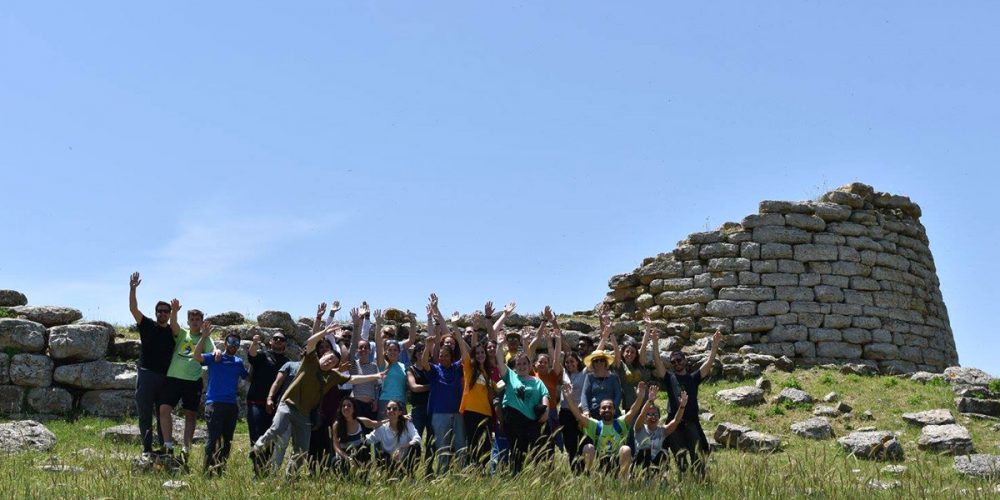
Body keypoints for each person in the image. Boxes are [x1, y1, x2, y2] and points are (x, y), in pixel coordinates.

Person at [250, 324, 382, 475]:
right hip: (288, 405)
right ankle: (257, 448)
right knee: (277, 429)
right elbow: (311, 343)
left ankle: (290, 476)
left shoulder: (333, 376)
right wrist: (323, 332)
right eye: (328, 358)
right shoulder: (310, 360)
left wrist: (376, 376)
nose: (329, 361)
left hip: (304, 414)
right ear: (323, 355)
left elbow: (353, 379)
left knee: (302, 450)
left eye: (333, 361)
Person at [650, 312, 722, 477]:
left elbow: (708, 363)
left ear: (686, 361)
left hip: (691, 423)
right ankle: (684, 486)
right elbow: (657, 362)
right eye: (673, 362)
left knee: (698, 459)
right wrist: (654, 343)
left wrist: (715, 345)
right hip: (674, 425)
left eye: (679, 360)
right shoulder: (669, 378)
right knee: (680, 459)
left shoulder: (693, 378)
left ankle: (701, 485)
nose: (676, 363)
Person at [128, 272, 176, 458]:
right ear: (156, 313)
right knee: (145, 413)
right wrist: (132, 289)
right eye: (160, 311)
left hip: (166, 377)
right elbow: (133, 309)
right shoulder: (147, 325)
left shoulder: (174, 331)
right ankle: (147, 448)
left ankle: (165, 447)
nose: (163, 313)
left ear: (170, 314)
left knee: (163, 413)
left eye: (166, 311)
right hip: (147, 375)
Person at [159, 299, 211, 466]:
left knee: (190, 414)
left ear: (202, 322)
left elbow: (213, 351)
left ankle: (186, 449)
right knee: (164, 409)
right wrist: (174, 311)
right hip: (173, 377)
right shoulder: (182, 334)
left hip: (193, 381)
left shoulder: (205, 337)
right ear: (188, 321)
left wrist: (215, 350)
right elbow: (173, 324)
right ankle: (168, 445)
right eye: (192, 319)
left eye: (198, 320)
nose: (195, 322)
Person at [193, 323, 249, 476]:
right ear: (225, 343)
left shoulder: (238, 362)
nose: (233, 345)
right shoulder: (215, 357)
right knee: (213, 438)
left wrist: (256, 352)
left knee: (227, 440)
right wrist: (204, 337)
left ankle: (220, 470)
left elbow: (248, 376)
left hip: (231, 406)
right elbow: (196, 356)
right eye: (231, 341)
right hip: (214, 404)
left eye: (236, 343)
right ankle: (207, 472)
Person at [419, 294, 466, 473]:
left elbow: (465, 354)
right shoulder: (435, 369)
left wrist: (456, 330)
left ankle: (462, 474)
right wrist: (427, 346)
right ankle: (443, 474)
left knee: (461, 445)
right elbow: (424, 363)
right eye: (441, 355)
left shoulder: (457, 367)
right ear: (438, 357)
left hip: (458, 412)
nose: (443, 357)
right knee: (442, 445)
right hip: (439, 414)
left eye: (446, 355)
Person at [562, 381, 649, 477]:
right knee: (588, 447)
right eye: (604, 408)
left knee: (626, 449)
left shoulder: (620, 423)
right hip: (600, 462)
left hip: (617, 462)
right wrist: (569, 398)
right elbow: (578, 415)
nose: (607, 409)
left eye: (609, 407)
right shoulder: (595, 425)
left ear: (614, 410)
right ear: (599, 411)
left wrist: (640, 396)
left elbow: (633, 411)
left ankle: (623, 481)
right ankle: (589, 477)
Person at [495, 328, 549, 476]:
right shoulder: (510, 376)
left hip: (531, 421)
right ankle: (516, 475)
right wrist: (499, 345)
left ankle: (532, 476)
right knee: (516, 449)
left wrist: (546, 411)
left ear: (530, 366)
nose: (521, 366)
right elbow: (499, 361)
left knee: (531, 450)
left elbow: (545, 396)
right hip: (512, 418)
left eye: (524, 364)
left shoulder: (537, 382)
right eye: (518, 364)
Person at [246, 330, 290, 476]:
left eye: (281, 339)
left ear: (285, 344)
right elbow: (251, 355)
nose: (278, 341)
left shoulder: (287, 363)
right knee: (257, 435)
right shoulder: (263, 356)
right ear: (270, 342)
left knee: (271, 437)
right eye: (275, 338)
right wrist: (254, 343)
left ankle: (264, 469)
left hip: (276, 406)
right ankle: (257, 470)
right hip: (256, 403)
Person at [458, 310, 496, 468]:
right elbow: (463, 344)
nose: (480, 355)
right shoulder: (469, 367)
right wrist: (470, 327)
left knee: (486, 445)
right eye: (478, 353)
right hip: (471, 411)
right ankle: (472, 470)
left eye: (483, 352)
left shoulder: (488, 371)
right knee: (472, 443)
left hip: (486, 412)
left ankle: (481, 470)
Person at [634, 389, 688, 473]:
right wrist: (650, 401)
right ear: (645, 418)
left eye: (656, 415)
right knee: (646, 450)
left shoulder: (662, 431)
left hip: (655, 464)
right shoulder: (639, 427)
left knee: (664, 453)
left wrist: (682, 406)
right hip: (640, 464)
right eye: (650, 414)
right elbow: (642, 414)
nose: (653, 417)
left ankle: (660, 478)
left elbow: (676, 420)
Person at [365, 400, 421, 475]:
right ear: (386, 412)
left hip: (405, 460)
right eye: (388, 409)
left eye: (394, 409)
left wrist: (401, 447)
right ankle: (387, 474)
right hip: (389, 461)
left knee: (416, 447)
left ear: (400, 412)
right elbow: (366, 440)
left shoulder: (407, 423)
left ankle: (410, 474)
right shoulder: (382, 428)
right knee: (381, 454)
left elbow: (417, 439)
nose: (391, 410)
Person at [331, 398, 379, 474]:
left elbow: (377, 424)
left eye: (349, 405)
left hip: (360, 455)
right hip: (345, 455)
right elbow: (336, 446)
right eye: (343, 406)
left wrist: (399, 418)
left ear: (354, 408)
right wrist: (348, 458)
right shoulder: (337, 425)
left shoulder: (361, 421)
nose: (346, 408)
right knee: (336, 461)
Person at [558, 351, 587, 473]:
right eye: (567, 362)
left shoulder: (584, 373)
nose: (569, 364)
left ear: (577, 362)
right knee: (570, 444)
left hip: (579, 412)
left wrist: (605, 337)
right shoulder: (564, 373)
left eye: (572, 361)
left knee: (582, 441)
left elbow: (592, 358)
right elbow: (555, 359)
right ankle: (574, 470)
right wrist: (555, 340)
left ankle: (584, 469)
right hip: (565, 413)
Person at [581, 350, 622, 418]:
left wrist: (613, 408)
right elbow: (584, 394)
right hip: (594, 411)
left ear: (606, 362)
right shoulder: (589, 377)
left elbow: (618, 394)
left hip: (611, 412)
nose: (599, 362)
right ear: (592, 363)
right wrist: (585, 410)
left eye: (601, 360)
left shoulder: (614, 377)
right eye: (596, 361)